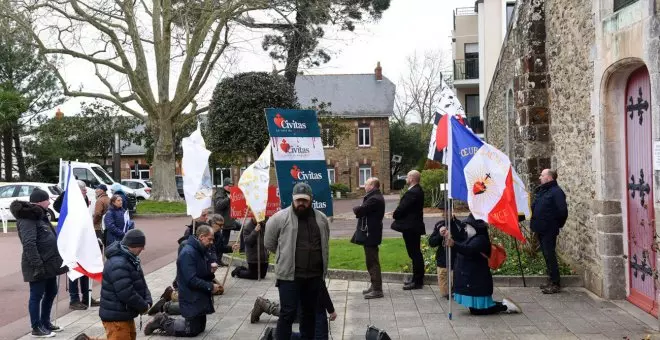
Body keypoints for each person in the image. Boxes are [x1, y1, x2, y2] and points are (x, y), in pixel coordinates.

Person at [265, 182, 330, 340]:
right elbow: (269, 243)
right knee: (287, 314)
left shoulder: (321, 219)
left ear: (311, 200)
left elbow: (325, 244)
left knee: (309, 314)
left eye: (305, 200)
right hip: (289, 277)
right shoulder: (279, 218)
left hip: (314, 277)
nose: (301, 203)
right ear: (293, 199)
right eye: (298, 200)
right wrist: (285, 255)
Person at [144, 225, 221, 337]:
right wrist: (210, 286)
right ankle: (161, 321)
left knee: (200, 328)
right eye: (210, 239)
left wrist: (210, 270)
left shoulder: (200, 249)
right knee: (191, 331)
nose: (212, 242)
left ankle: (166, 313)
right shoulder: (188, 253)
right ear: (201, 237)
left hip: (198, 296)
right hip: (190, 295)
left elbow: (201, 272)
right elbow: (191, 279)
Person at [75, 229, 152, 340]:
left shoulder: (131, 259)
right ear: (134, 245)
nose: (143, 249)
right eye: (141, 246)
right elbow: (126, 293)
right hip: (116, 317)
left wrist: (148, 300)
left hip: (124, 313)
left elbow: (141, 283)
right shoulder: (119, 263)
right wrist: (144, 306)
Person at [12, 189, 68, 337]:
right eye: (47, 200)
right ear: (39, 201)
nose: (49, 202)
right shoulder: (27, 218)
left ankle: (45, 322)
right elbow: (29, 244)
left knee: (51, 291)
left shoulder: (40, 215)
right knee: (36, 295)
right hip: (37, 265)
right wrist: (37, 265)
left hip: (49, 263)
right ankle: (36, 327)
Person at [440, 214, 521, 315]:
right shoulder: (472, 237)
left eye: (468, 226)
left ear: (476, 228)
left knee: (478, 309)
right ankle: (504, 305)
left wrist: (453, 244)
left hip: (477, 280)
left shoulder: (480, 240)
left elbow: (468, 250)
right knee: (476, 308)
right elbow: (460, 238)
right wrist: (449, 231)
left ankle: (505, 306)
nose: (466, 229)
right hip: (472, 280)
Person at [54, 180, 101, 310]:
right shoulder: (68, 198)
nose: (85, 191)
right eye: (83, 189)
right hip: (72, 240)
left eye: (85, 189)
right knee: (74, 270)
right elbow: (57, 206)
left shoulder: (83, 199)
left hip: (82, 239)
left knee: (85, 269)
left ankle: (86, 297)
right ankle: (74, 299)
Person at [257, 281, 338, 340]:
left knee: (310, 334)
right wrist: (330, 309)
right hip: (309, 296)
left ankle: (277, 333)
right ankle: (276, 334)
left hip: (305, 293)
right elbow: (319, 283)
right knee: (316, 336)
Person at [531, 168, 568, 294]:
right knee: (546, 255)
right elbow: (535, 207)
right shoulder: (543, 191)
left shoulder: (556, 192)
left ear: (549, 177)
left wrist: (555, 225)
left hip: (549, 229)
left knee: (550, 255)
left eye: (542, 175)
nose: (540, 177)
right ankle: (550, 280)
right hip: (540, 228)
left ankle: (555, 283)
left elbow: (562, 212)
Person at [391, 170, 426, 290]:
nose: (406, 178)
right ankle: (416, 278)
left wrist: (395, 214)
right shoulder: (417, 190)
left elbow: (402, 208)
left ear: (411, 178)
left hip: (411, 227)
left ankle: (417, 281)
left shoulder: (413, 192)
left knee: (415, 254)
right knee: (415, 253)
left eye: (407, 176)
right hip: (413, 226)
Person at [352, 177, 385, 299]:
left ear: (372, 185)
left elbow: (360, 210)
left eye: (366, 184)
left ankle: (377, 289)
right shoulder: (373, 197)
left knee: (372, 261)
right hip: (370, 233)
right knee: (370, 260)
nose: (364, 186)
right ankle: (374, 285)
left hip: (371, 234)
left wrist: (357, 208)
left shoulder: (374, 199)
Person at [428, 217, 460, 299]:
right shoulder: (439, 225)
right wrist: (440, 235)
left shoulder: (458, 225)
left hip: (455, 261)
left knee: (456, 289)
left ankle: (454, 290)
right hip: (442, 261)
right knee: (444, 292)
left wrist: (452, 236)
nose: (444, 213)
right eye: (442, 211)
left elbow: (463, 241)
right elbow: (431, 242)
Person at [214, 178, 243, 251]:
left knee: (243, 229)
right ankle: (219, 258)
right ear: (225, 186)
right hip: (223, 222)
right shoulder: (219, 193)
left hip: (230, 221)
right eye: (229, 186)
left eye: (232, 186)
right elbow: (218, 205)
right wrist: (228, 199)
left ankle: (242, 250)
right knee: (224, 242)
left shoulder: (231, 193)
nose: (230, 188)